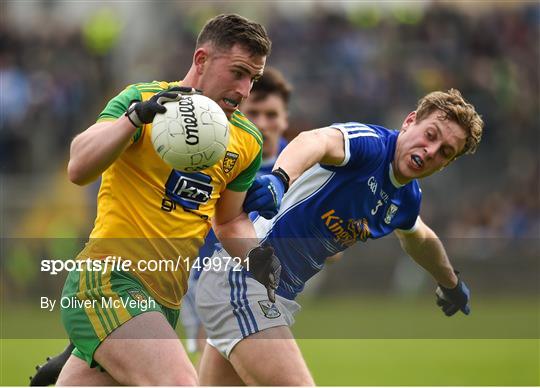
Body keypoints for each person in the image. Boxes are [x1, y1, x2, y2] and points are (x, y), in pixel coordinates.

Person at [196, 89, 484, 385]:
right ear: (410, 122)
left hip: (270, 295)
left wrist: (451, 283)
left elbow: (418, 237)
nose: (432, 150)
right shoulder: (371, 145)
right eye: (431, 134)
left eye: (445, 152)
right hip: (243, 281)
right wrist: (280, 179)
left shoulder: (406, 198)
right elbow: (316, 141)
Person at [54, 14, 281, 386]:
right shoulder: (142, 100)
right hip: (107, 281)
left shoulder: (246, 140)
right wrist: (133, 120)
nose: (244, 90)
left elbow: (227, 222)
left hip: (165, 303)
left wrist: (261, 259)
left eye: (253, 79)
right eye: (238, 72)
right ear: (202, 60)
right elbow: (78, 165)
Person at [180, 67, 293, 357]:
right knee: (216, 354)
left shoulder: (297, 166)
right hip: (206, 272)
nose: (262, 123)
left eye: (271, 115)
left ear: (285, 120)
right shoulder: (217, 151)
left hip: (264, 281)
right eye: (254, 113)